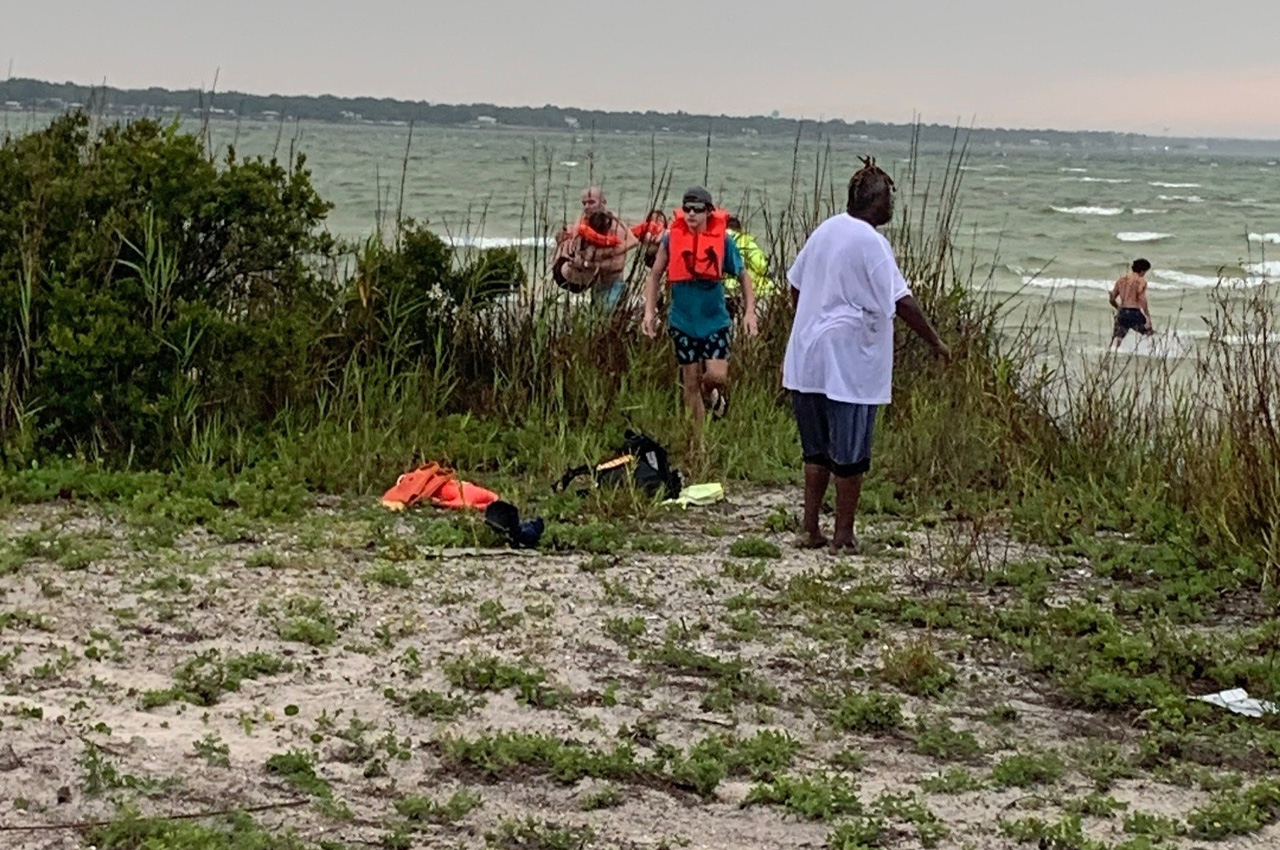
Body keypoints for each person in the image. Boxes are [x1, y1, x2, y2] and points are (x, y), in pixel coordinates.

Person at [782, 157, 950, 555]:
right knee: (850, 454)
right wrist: (936, 343)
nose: (893, 203)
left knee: (816, 450)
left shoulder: (826, 230)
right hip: (849, 360)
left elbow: (795, 284)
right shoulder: (871, 241)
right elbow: (902, 301)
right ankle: (843, 535)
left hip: (808, 356)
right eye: (890, 195)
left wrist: (811, 319)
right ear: (876, 200)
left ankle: (810, 528)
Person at [643, 186, 758, 423]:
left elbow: (743, 276)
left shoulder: (723, 242)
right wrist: (649, 312)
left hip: (715, 321)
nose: (691, 214)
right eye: (687, 209)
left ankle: (713, 396)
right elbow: (655, 275)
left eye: (697, 209)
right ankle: (698, 444)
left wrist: (750, 312)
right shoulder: (671, 239)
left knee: (716, 376)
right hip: (682, 322)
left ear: (709, 212)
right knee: (691, 382)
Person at [555, 186, 636, 310]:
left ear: (603, 202)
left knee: (607, 321)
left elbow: (619, 262)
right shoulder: (583, 220)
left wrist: (590, 263)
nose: (587, 207)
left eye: (591, 202)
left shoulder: (614, 225)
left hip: (612, 285)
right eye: (584, 203)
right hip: (594, 284)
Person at [551, 210, 638, 298]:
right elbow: (634, 241)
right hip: (586, 281)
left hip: (566, 273)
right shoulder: (604, 251)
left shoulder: (580, 236)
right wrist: (616, 217)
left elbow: (581, 215)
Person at [724, 215, 777, 314]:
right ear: (739, 229)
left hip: (724, 290)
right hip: (744, 290)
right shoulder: (745, 241)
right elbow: (760, 265)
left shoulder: (718, 240)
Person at [1109, 259, 1155, 349]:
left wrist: (1118, 308)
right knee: (1149, 334)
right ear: (1142, 271)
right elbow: (1143, 300)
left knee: (1117, 338)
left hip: (1123, 313)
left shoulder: (1121, 281)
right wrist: (1147, 317)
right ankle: (1154, 352)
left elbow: (1111, 299)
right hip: (1135, 313)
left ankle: (1110, 355)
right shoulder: (1141, 281)